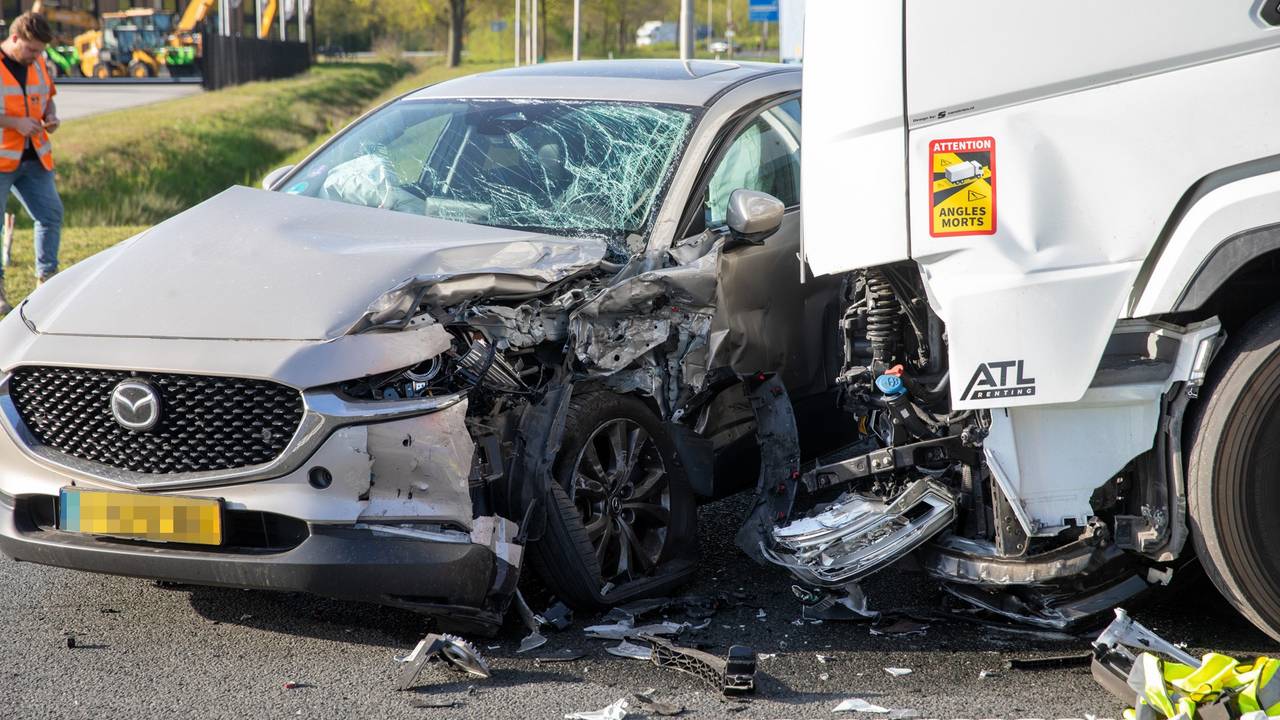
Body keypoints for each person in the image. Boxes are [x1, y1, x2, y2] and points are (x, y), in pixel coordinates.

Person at [0, 12, 61, 316]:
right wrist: (15, 123)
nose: (36, 56)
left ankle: (46, 282)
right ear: (14, 39)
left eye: (40, 51)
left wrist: (49, 115)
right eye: (32, 50)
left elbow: (47, 95)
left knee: (50, 216)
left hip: (34, 157)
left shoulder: (37, 63)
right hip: (1, 159)